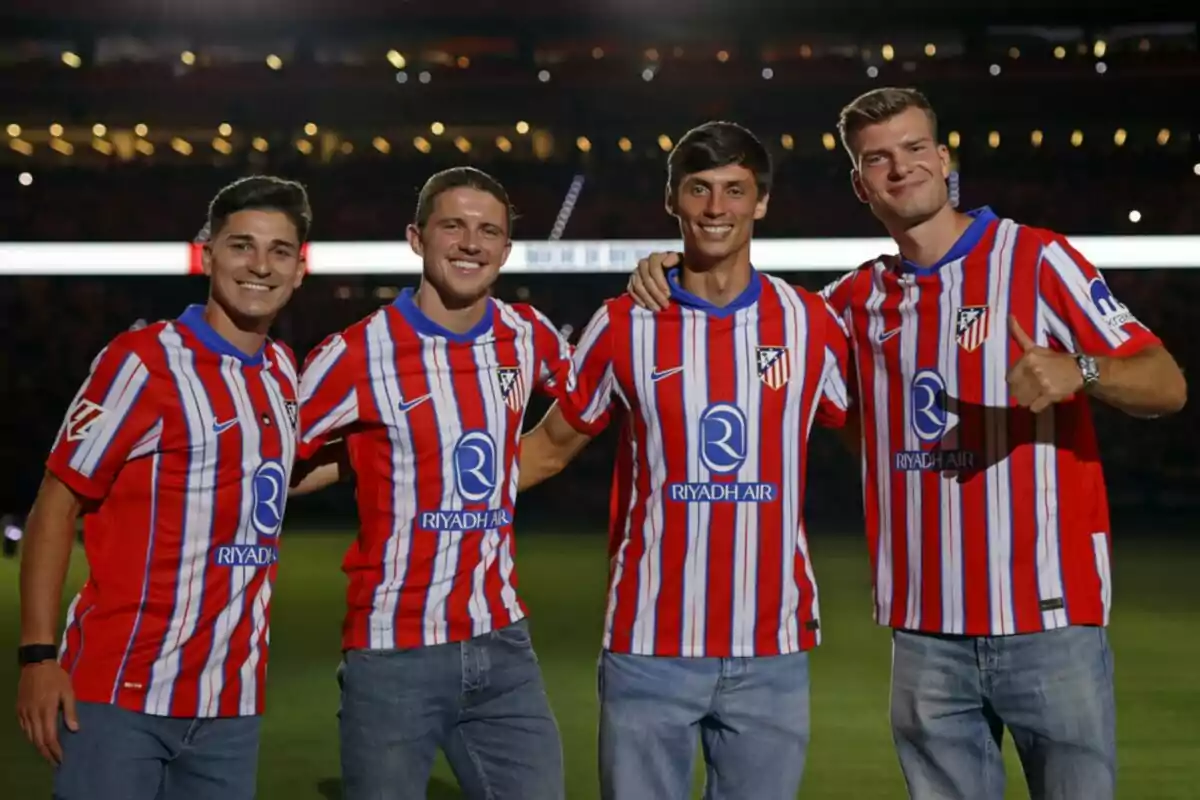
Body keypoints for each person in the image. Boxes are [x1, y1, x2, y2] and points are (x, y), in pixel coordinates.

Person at [626, 87, 1188, 800]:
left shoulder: (1038, 259)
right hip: (924, 636)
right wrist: (668, 271)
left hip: (1047, 620)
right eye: (878, 159)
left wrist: (1080, 369)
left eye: (915, 148)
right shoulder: (853, 303)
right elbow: (743, 325)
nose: (901, 168)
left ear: (945, 158)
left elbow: (1167, 383)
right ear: (861, 185)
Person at [517, 121, 851, 800]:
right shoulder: (622, 323)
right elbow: (547, 450)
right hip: (649, 646)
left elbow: (880, 442)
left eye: (735, 190)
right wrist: (407, 483)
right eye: (699, 189)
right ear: (673, 200)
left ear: (762, 203)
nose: (717, 207)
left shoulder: (811, 325)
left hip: (772, 646)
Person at [16, 175, 311, 799]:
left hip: (231, 703)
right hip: (119, 693)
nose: (260, 265)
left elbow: (269, 472)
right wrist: (38, 657)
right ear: (207, 255)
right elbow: (56, 501)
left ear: (299, 268)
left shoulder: (285, 372)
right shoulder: (143, 361)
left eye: (279, 251)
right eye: (241, 246)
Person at [292, 167, 571, 800]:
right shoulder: (356, 353)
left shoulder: (528, 335)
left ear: (505, 250)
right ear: (417, 238)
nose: (471, 243)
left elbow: (594, 397)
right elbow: (266, 462)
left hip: (502, 644)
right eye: (454, 226)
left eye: (488, 231)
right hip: (394, 648)